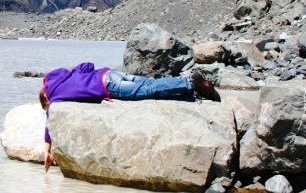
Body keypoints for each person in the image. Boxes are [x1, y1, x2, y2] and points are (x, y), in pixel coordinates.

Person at [38, 63, 220, 172]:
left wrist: (47, 150)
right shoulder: (60, 77)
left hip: (108, 86)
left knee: (149, 91)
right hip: (109, 73)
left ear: (45, 99)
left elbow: (50, 121)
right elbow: (88, 65)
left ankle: (189, 82)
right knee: (149, 83)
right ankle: (195, 93)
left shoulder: (54, 98)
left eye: (46, 104)